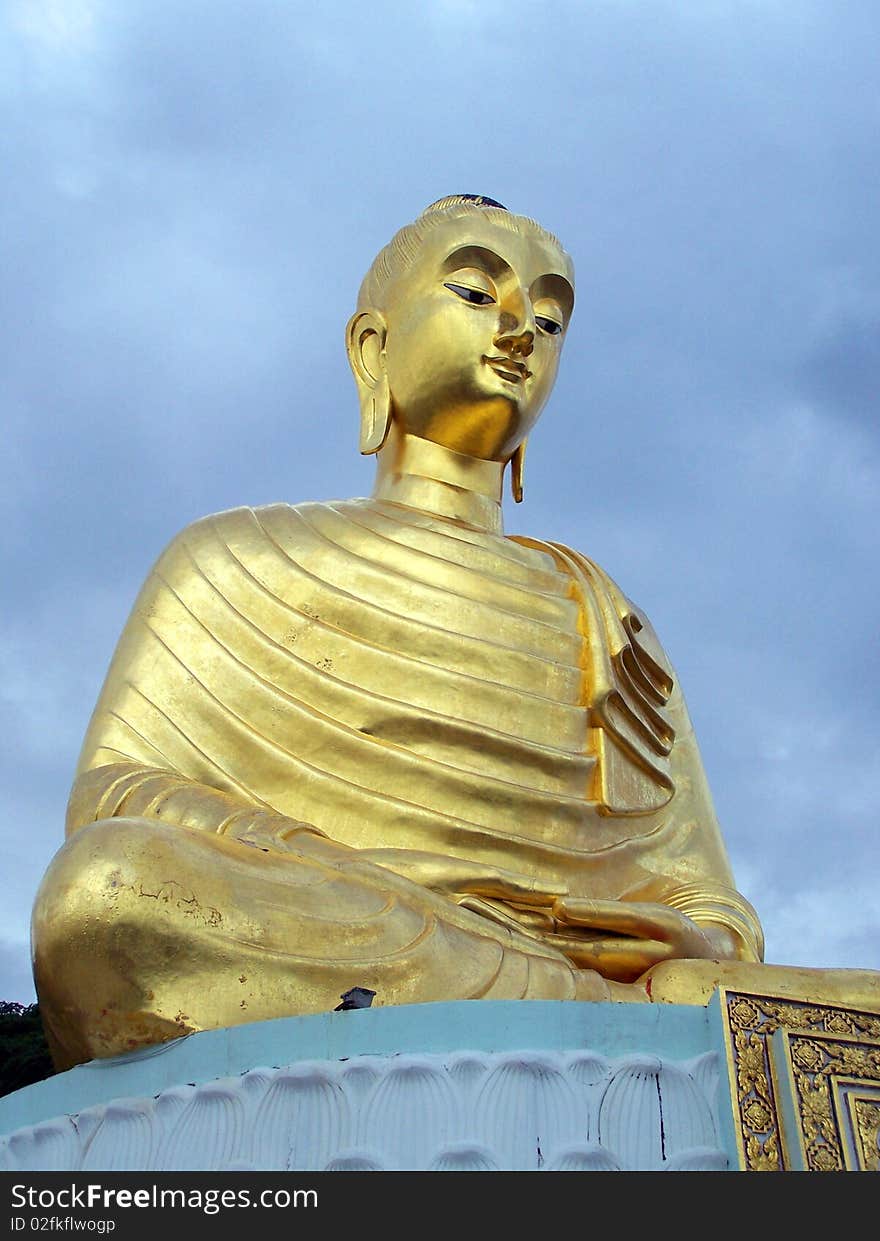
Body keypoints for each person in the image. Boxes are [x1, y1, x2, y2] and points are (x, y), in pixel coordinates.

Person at [31, 195, 767, 1071]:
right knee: (106, 890)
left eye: (549, 316)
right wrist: (380, 888)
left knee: (726, 992)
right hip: (336, 916)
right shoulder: (235, 555)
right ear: (371, 348)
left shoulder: (603, 615)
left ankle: (573, 999)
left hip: (549, 958)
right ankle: (581, 1007)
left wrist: (700, 937)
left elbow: (710, 903)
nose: (519, 331)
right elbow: (116, 791)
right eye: (472, 291)